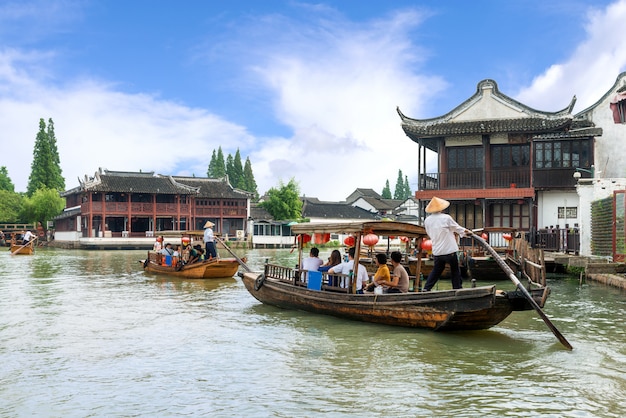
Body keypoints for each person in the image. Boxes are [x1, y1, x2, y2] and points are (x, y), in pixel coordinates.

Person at [422, 196, 471, 291]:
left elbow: (429, 233)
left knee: (436, 270)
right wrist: (466, 232)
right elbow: (457, 228)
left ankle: (426, 288)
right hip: (449, 250)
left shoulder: (427, 221)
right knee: (455, 270)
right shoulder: (446, 218)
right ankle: (457, 289)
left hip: (437, 251)